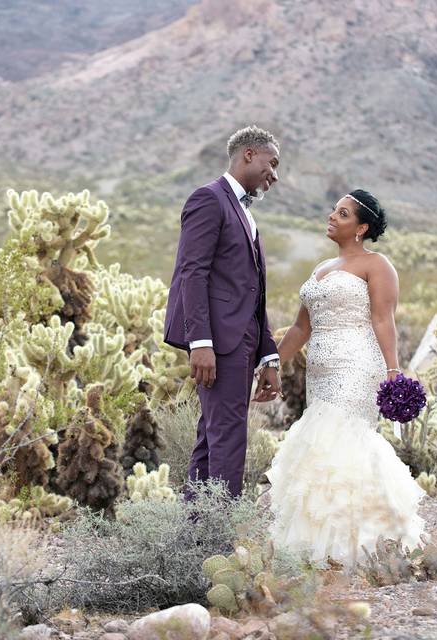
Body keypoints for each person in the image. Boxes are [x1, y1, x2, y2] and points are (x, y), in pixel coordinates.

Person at [264, 189, 427, 568]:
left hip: (357, 368)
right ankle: (316, 542)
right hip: (319, 374)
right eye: (334, 211)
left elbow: (383, 320)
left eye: (343, 213)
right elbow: (301, 328)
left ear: (361, 227)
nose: (332, 217)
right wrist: (272, 366)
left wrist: (393, 372)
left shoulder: (376, 265)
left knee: (341, 439)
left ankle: (364, 542)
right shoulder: (320, 268)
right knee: (320, 448)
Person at [163, 125, 282, 498]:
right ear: (249, 154)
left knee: (212, 437)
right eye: (271, 163)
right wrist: (200, 342)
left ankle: (198, 533)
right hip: (218, 342)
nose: (274, 175)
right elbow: (191, 272)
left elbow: (254, 291)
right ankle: (220, 539)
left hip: (242, 341)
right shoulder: (209, 199)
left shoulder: (247, 213)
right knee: (228, 438)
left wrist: (269, 354)